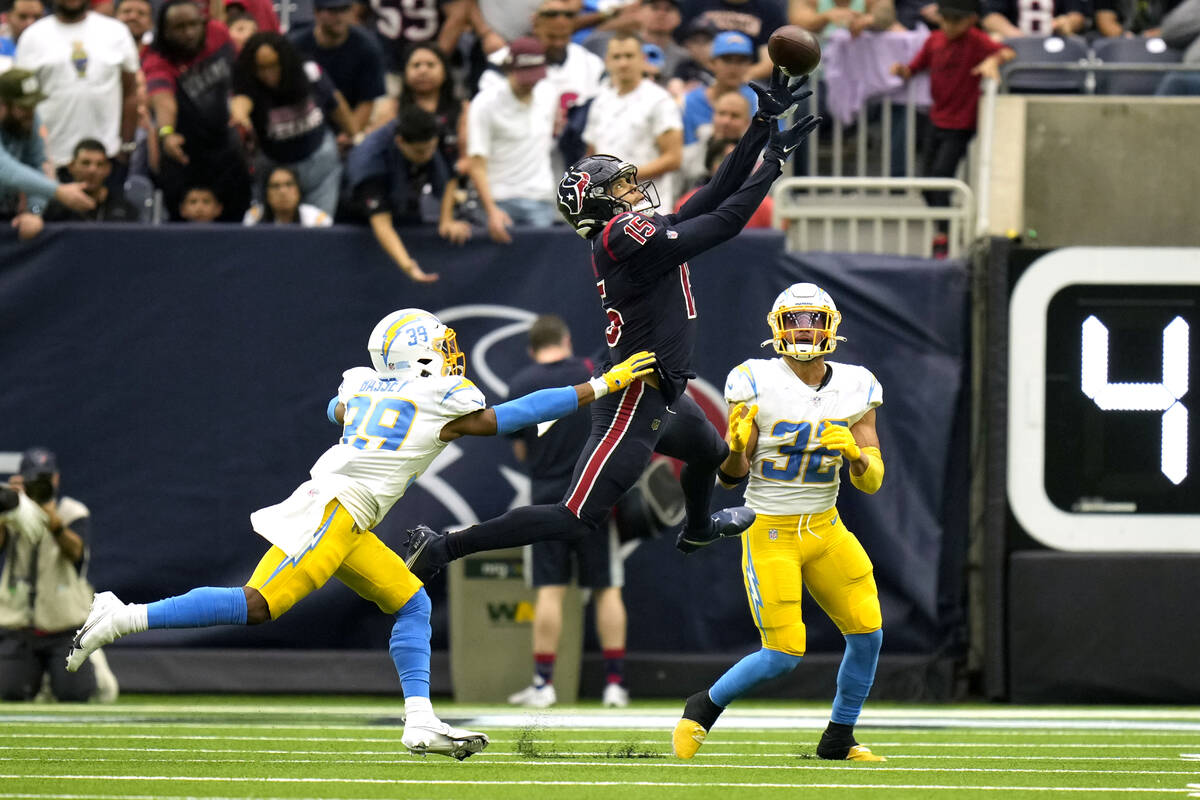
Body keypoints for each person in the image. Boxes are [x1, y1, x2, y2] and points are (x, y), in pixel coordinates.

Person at [64, 308, 655, 758]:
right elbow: (511, 417)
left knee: (411, 601)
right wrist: (602, 384)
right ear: (424, 357)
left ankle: (419, 718)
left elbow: (336, 408)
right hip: (335, 511)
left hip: (347, 516)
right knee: (260, 604)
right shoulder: (438, 398)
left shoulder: (363, 385)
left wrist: (359, 405)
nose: (452, 356)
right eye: (442, 348)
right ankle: (123, 615)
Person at [402, 70, 819, 590]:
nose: (632, 186)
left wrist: (760, 128)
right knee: (575, 516)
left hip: (661, 388)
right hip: (634, 396)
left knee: (710, 453)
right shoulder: (622, 234)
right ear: (600, 202)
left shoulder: (627, 232)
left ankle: (698, 528)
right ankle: (443, 545)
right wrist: (773, 164)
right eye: (620, 184)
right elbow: (725, 222)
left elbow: (710, 196)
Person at [671, 283, 887, 762]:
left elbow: (872, 481)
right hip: (770, 527)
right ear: (777, 327)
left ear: (831, 326)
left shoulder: (856, 383)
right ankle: (701, 708)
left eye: (812, 319)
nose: (804, 329)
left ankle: (838, 738)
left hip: (826, 527)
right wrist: (734, 447)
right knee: (783, 653)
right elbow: (731, 480)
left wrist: (855, 455)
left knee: (868, 632)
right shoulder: (754, 379)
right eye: (794, 320)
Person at [504, 315, 631, 710]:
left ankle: (544, 685)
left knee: (550, 590)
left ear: (532, 347)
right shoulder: (591, 375)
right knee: (606, 587)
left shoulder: (520, 383)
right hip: (592, 492)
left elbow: (521, 450)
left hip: (545, 497)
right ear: (566, 339)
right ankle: (614, 685)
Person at [891, 0, 1011, 257]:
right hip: (936, 118)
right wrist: (902, 70)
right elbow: (914, 67)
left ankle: (943, 236)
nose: (949, 25)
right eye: (945, 19)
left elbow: (1008, 51)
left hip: (962, 123)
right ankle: (946, 229)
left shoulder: (977, 41)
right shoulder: (934, 40)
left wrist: (993, 61)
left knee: (941, 177)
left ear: (970, 21)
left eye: (955, 20)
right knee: (927, 183)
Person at [0, 448, 117, 703]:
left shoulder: (73, 512)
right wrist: (7, 509)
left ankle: (91, 664)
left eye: (45, 479)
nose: (40, 486)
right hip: (20, 627)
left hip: (63, 626)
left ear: (56, 479)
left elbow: (75, 552)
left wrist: (52, 520)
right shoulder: (12, 512)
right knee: (9, 692)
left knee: (75, 693)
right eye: (34, 480)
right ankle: (39, 679)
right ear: (22, 479)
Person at [142, 0, 250, 221]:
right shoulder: (156, 59)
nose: (189, 33)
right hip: (184, 154)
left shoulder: (218, 33)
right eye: (180, 27)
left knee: (236, 214)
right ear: (165, 31)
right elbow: (164, 100)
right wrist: (167, 133)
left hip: (225, 146)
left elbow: (241, 71)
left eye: (193, 24)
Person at [231, 32, 359, 217]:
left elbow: (335, 105)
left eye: (274, 66)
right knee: (268, 233)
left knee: (317, 230)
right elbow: (241, 101)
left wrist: (355, 135)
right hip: (274, 170)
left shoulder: (309, 71)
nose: (268, 74)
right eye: (261, 68)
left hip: (319, 165)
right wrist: (240, 115)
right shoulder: (249, 82)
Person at [15, 0, 139, 168]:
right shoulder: (32, 36)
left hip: (107, 156)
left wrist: (126, 145)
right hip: (51, 157)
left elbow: (131, 92)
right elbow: (22, 102)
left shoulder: (116, 31)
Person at [346, 105, 462, 281]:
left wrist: (446, 219)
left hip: (406, 198)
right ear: (400, 141)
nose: (429, 155)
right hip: (359, 214)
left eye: (432, 147)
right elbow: (381, 223)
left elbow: (451, 176)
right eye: (420, 151)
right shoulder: (369, 162)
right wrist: (406, 264)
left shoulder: (436, 131)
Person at [466, 36, 560, 242]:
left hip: (540, 199)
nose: (530, 83)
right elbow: (476, 163)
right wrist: (491, 210)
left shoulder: (549, 94)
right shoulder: (484, 103)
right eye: (525, 76)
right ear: (510, 69)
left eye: (535, 76)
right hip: (499, 200)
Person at [583, 31, 683, 210]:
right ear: (607, 61)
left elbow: (673, 158)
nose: (623, 63)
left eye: (629, 56)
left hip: (649, 204)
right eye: (617, 57)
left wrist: (619, 178)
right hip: (609, 208)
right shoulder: (600, 102)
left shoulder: (659, 99)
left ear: (643, 59)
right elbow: (592, 155)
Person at [1, 68, 95, 238]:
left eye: (33, 105)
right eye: (23, 106)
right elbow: (5, 169)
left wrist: (34, 211)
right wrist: (58, 191)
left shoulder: (29, 119)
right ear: (3, 104)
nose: (30, 112)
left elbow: (40, 165)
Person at [289, 0, 386, 134]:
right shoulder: (295, 46)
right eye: (332, 11)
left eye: (344, 9)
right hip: (305, 124)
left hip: (350, 121)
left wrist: (350, 135)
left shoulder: (367, 47)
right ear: (316, 13)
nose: (340, 16)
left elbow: (367, 100)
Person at [681, 30, 757, 145]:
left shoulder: (759, 101)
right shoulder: (689, 102)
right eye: (727, 60)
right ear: (711, 63)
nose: (733, 67)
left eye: (741, 61)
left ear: (749, 64)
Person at [44, 137, 140, 221]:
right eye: (86, 163)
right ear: (71, 167)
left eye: (99, 164)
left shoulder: (124, 210)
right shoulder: (54, 211)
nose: (92, 170)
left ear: (108, 169)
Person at [243, 165, 333, 226]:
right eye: (275, 186)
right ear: (267, 195)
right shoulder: (254, 218)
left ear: (298, 191)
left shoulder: (317, 220)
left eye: (289, 184)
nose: (283, 191)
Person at [981, 0, 1085, 37]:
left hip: (1055, 42)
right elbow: (990, 17)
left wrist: (1067, 23)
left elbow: (1077, 15)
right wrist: (1015, 35)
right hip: (1014, 46)